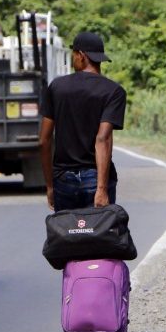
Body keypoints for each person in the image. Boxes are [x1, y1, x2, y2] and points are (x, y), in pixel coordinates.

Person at [39, 32, 127, 211]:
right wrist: (101, 189)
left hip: (63, 179)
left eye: (73, 54)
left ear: (81, 55)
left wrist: (50, 186)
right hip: (95, 179)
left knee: (66, 235)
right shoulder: (114, 91)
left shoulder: (57, 87)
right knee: (101, 233)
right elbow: (103, 139)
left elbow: (44, 140)